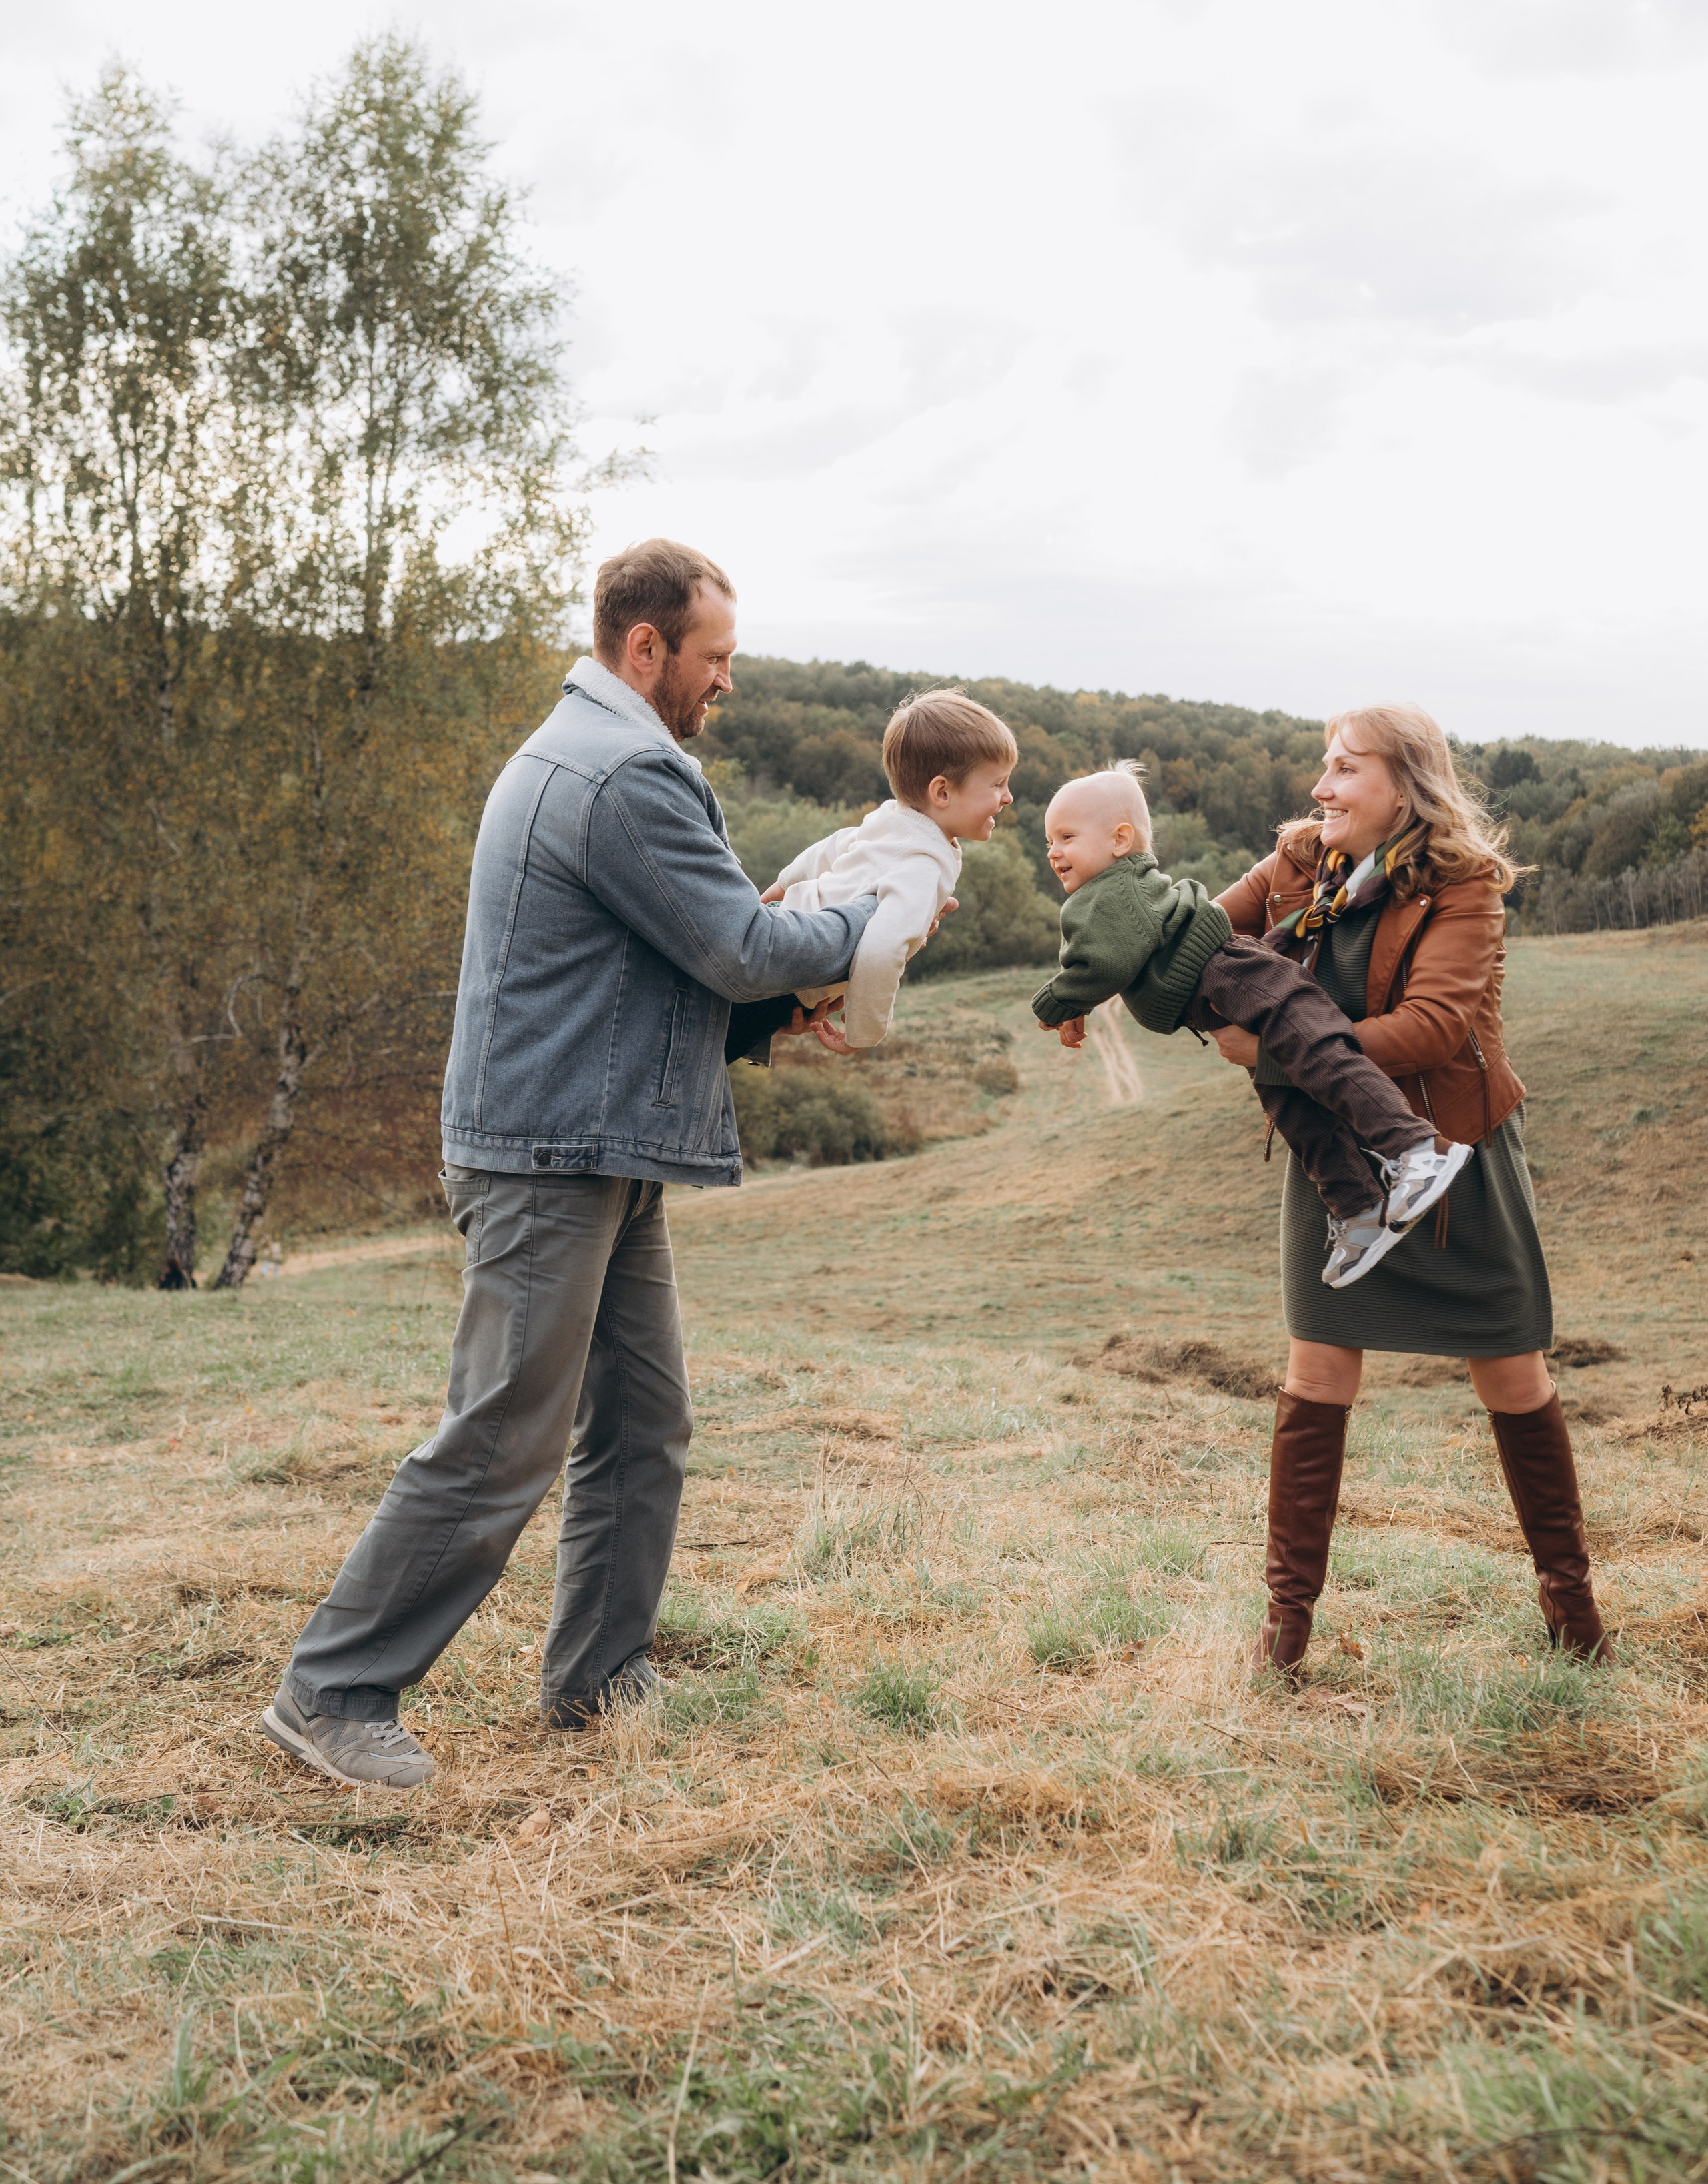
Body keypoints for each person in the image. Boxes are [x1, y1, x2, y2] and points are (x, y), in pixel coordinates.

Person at [261, 539, 884, 1791]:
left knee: (643, 1418)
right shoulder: (623, 773)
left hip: (597, 1141)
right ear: (644, 647)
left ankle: (599, 1673)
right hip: (551, 1153)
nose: (725, 685)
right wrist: (874, 922)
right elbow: (739, 943)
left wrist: (770, 1010)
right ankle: (333, 1692)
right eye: (713, 660)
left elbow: (664, 969)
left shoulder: (594, 754)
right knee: (504, 1432)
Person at [1214, 704, 1611, 1676]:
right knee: (1316, 1372)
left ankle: (1573, 1612)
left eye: (1346, 768)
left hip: (1452, 1151)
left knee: (1511, 1377)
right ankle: (1285, 1632)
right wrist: (1102, 970)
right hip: (1333, 1157)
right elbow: (1192, 942)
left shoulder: (1464, 885)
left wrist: (1277, 1049)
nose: (1322, 787)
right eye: (1323, 766)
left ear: (1405, 785)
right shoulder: (1297, 864)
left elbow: (1435, 1025)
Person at [1032, 769, 1468, 1285]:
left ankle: (1416, 1148)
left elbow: (1106, 962)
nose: (1053, 852)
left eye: (1066, 837)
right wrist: (1080, 994)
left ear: (1120, 839)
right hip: (1217, 996)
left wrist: (1054, 1004)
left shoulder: (1111, 890)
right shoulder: (1107, 890)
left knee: (1318, 1052)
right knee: (1294, 1107)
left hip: (1229, 971)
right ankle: (1359, 1209)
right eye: (1048, 841)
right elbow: (1111, 956)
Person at [767, 690, 1017, 1049]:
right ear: (942, 792)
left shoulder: (894, 817)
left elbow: (837, 844)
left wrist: (779, 887)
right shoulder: (922, 866)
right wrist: (862, 1034)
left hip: (782, 925)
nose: (1008, 797)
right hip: (786, 980)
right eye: (998, 784)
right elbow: (882, 951)